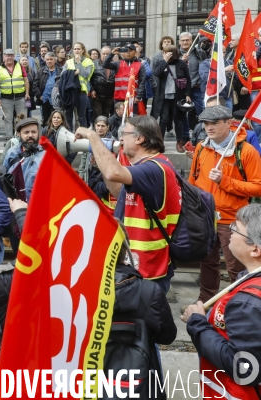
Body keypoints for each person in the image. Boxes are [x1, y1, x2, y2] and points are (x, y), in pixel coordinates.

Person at [75, 116, 182, 294]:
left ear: (140, 139)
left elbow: (112, 173)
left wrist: (93, 137)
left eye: (124, 134)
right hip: (138, 264)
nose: (121, 139)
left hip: (148, 269)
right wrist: (102, 162)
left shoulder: (154, 168)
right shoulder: (148, 166)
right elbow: (119, 192)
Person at [182, 204, 261, 399]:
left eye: (235, 228)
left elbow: (244, 368)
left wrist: (197, 322)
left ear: (255, 249)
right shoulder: (248, 282)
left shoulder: (247, 303)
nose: (230, 232)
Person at [188, 105, 261, 303]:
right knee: (207, 262)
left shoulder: (246, 151)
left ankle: (236, 303)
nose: (208, 127)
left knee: (235, 266)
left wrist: (225, 182)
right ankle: (207, 301)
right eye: (205, 123)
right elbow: (193, 181)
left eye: (214, 123)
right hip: (205, 216)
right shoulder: (201, 147)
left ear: (229, 123)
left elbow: (258, 187)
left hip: (232, 220)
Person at [109, 220, 177, 399]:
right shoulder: (149, 291)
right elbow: (167, 336)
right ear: (125, 249)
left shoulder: (75, 293)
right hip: (139, 379)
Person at [152, 44, 192, 152]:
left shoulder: (181, 64)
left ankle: (179, 142)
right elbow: (156, 73)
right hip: (163, 97)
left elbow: (188, 79)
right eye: (164, 52)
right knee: (163, 119)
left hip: (177, 96)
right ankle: (160, 143)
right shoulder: (161, 63)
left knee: (178, 120)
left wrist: (188, 94)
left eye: (166, 52)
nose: (164, 54)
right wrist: (164, 60)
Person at [3, 117, 44, 202]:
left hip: (38, 204)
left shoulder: (46, 155)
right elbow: (5, 178)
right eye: (26, 132)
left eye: (34, 132)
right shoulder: (11, 153)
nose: (30, 135)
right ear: (19, 134)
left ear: (38, 133)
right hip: (17, 205)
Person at [0, 49, 30, 139]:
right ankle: (9, 138)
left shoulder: (20, 66)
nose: (9, 57)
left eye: (11, 55)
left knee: (22, 118)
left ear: (14, 56)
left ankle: (22, 137)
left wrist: (27, 93)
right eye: (7, 55)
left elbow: (26, 80)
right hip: (6, 98)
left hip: (20, 97)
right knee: (8, 119)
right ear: (4, 57)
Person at [103, 43, 147, 114]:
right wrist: (112, 54)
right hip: (119, 98)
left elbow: (142, 82)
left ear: (135, 52)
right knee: (118, 118)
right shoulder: (118, 63)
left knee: (131, 119)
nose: (128, 52)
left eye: (131, 50)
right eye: (126, 50)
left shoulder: (140, 65)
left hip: (132, 98)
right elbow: (105, 64)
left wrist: (138, 96)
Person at [63, 42, 94, 130]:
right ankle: (68, 135)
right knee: (68, 116)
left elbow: (86, 75)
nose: (76, 51)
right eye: (75, 49)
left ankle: (83, 136)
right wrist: (73, 73)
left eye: (78, 49)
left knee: (81, 117)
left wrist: (78, 63)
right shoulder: (68, 61)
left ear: (83, 50)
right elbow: (63, 75)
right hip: (70, 91)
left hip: (81, 92)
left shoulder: (88, 61)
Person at [179, 32, 207, 129]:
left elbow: (205, 67)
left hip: (197, 87)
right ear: (179, 42)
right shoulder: (176, 54)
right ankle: (184, 136)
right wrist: (181, 61)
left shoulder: (199, 53)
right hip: (181, 89)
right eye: (183, 40)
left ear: (191, 41)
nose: (185, 42)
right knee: (181, 114)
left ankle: (200, 133)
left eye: (187, 40)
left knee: (200, 112)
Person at [79, 115, 114, 183]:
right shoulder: (88, 140)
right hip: (90, 171)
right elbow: (84, 158)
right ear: (95, 126)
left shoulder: (112, 143)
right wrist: (81, 175)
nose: (100, 128)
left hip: (104, 175)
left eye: (103, 126)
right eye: (98, 125)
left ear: (107, 127)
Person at [34, 51, 63, 125]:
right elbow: (35, 84)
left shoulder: (61, 70)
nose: (49, 61)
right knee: (46, 119)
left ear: (55, 60)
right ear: (45, 60)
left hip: (57, 99)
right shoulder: (41, 71)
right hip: (45, 99)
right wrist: (39, 96)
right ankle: (46, 134)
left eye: (51, 59)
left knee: (57, 119)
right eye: (47, 59)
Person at [90, 46, 115, 120]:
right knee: (98, 116)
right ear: (100, 54)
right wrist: (92, 89)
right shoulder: (94, 64)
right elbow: (89, 79)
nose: (105, 56)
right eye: (103, 54)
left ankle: (105, 131)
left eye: (107, 54)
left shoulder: (114, 64)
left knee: (106, 116)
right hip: (97, 95)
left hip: (110, 95)